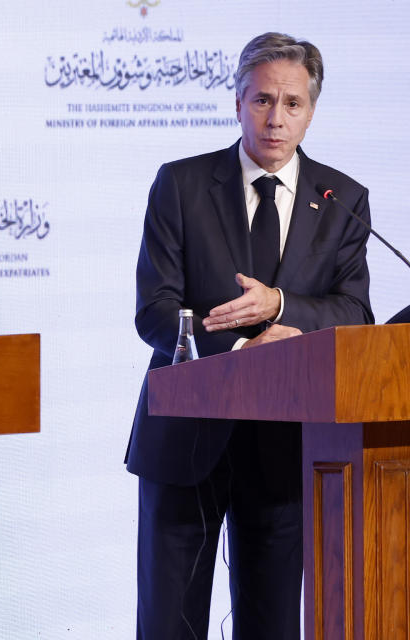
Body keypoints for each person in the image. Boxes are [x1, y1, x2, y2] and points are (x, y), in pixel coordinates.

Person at [127, 33, 373, 639]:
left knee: (271, 623)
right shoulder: (181, 185)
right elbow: (155, 310)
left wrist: (284, 307)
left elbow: (356, 312)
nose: (276, 118)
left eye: (293, 104)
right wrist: (242, 353)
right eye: (263, 100)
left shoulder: (341, 200)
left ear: (311, 111)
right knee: (169, 624)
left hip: (287, 448)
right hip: (186, 437)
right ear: (237, 102)